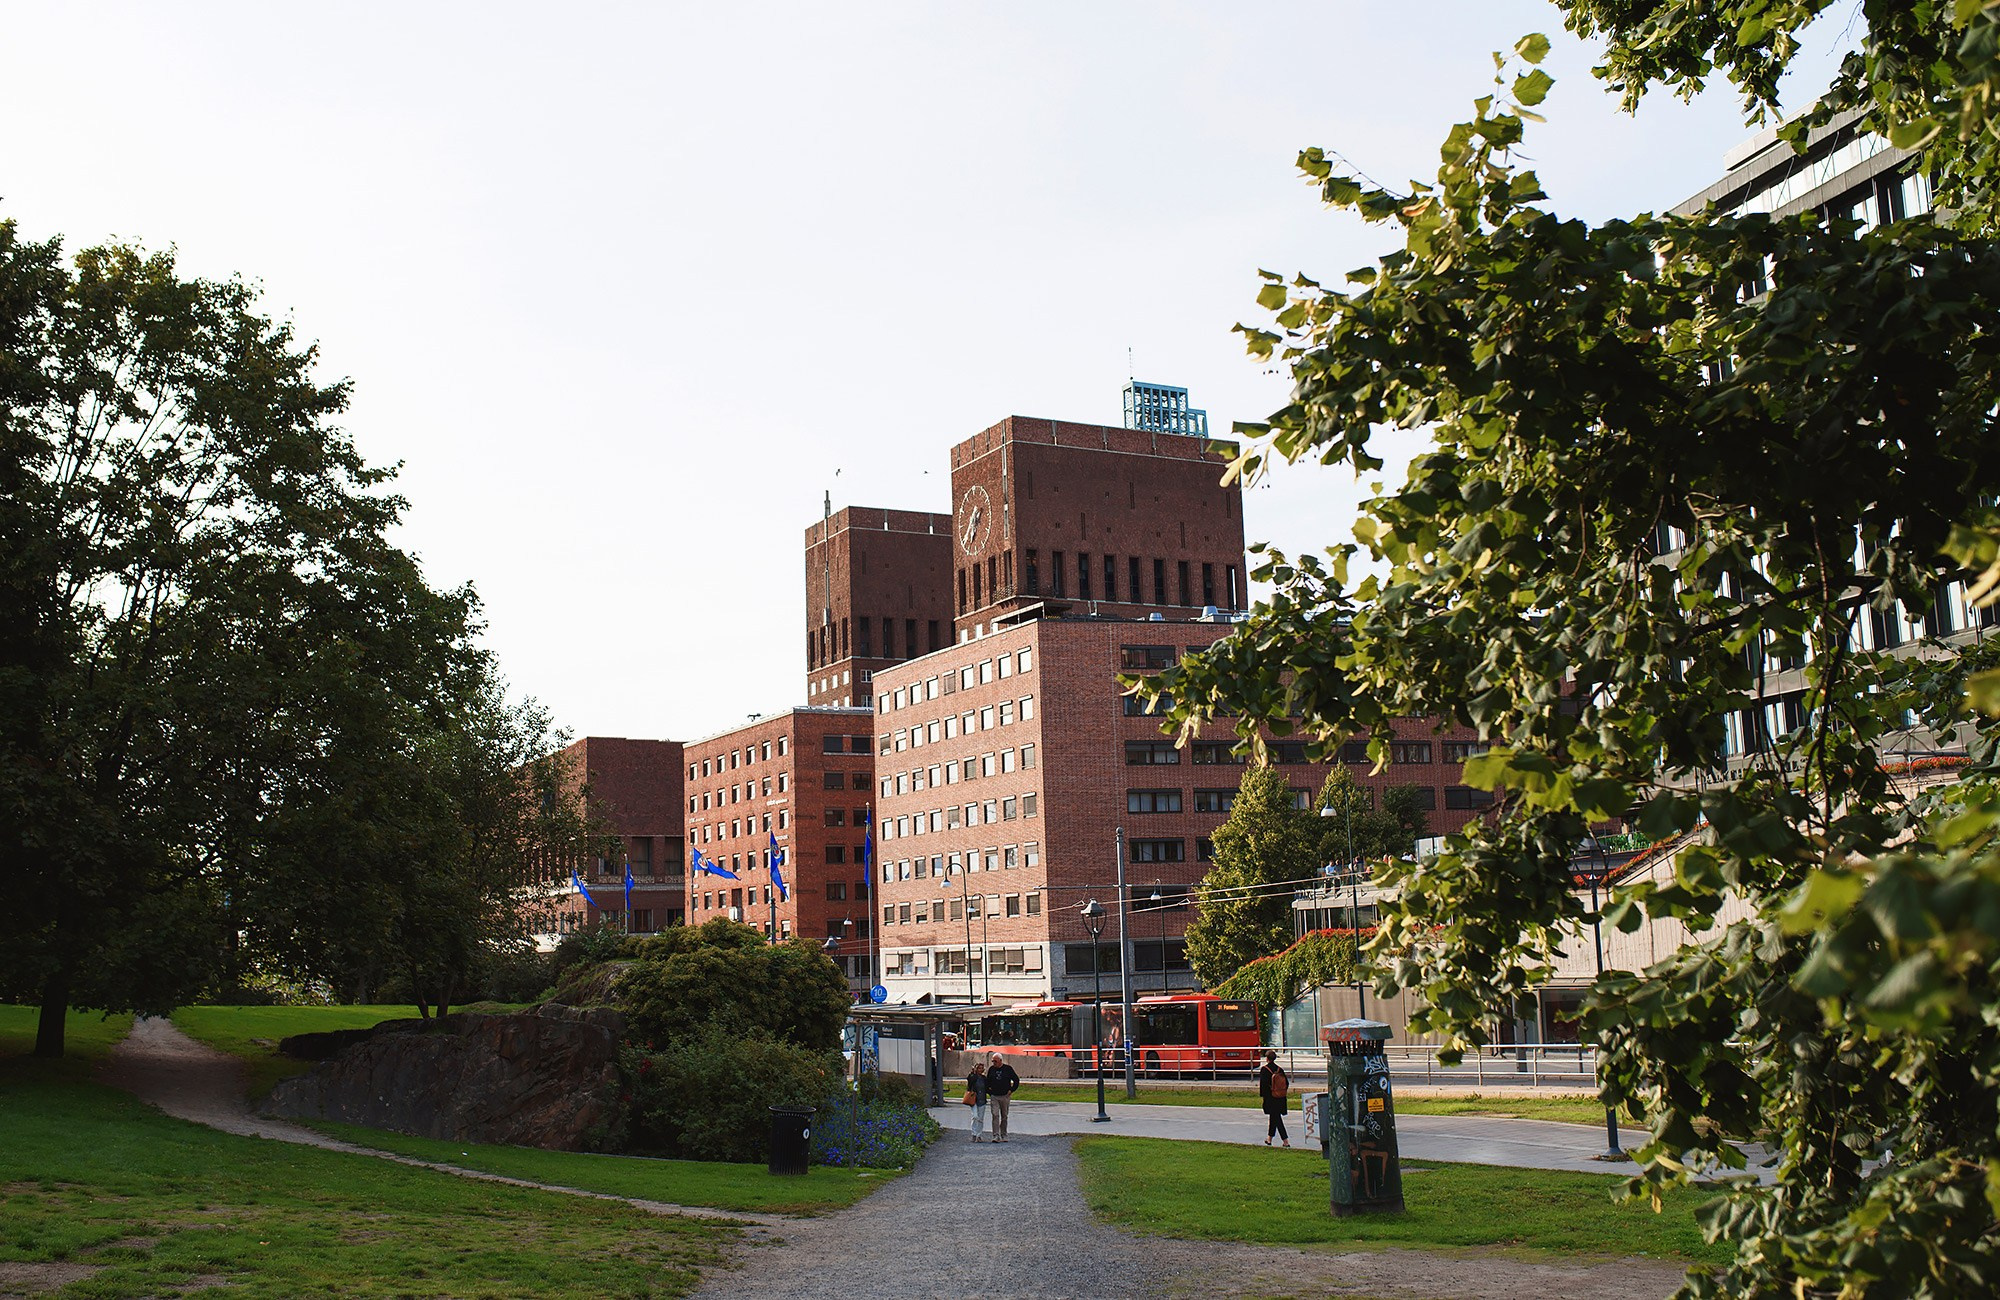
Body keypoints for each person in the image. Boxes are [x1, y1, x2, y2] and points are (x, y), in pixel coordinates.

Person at [985, 1052, 1022, 1142]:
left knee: (1004, 1116)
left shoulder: (1008, 1069)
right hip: (994, 1096)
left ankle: (1004, 1134)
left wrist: (1011, 1090)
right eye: (993, 1061)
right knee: (995, 1114)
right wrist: (990, 1092)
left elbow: (1016, 1080)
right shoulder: (991, 1070)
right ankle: (995, 1135)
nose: (994, 1063)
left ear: (1000, 1061)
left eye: (995, 1061)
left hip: (1005, 1096)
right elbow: (987, 1082)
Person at [1257, 1050, 1291, 1147]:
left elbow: (1263, 1086)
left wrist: (1264, 1098)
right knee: (1274, 1118)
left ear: (1267, 1058)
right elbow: (1286, 1084)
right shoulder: (1280, 1069)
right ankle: (1269, 1139)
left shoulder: (1265, 1069)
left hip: (1271, 1098)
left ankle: (1285, 1141)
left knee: (1276, 1118)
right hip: (1280, 1097)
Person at [966, 1059, 990, 1142]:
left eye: (982, 1068)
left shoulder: (984, 1078)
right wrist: (972, 1073)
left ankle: (979, 1135)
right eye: (979, 1068)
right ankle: (974, 1133)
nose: (981, 1070)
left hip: (982, 1099)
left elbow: (987, 1088)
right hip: (974, 1099)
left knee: (980, 1118)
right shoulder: (973, 1077)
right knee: (975, 1116)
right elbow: (969, 1081)